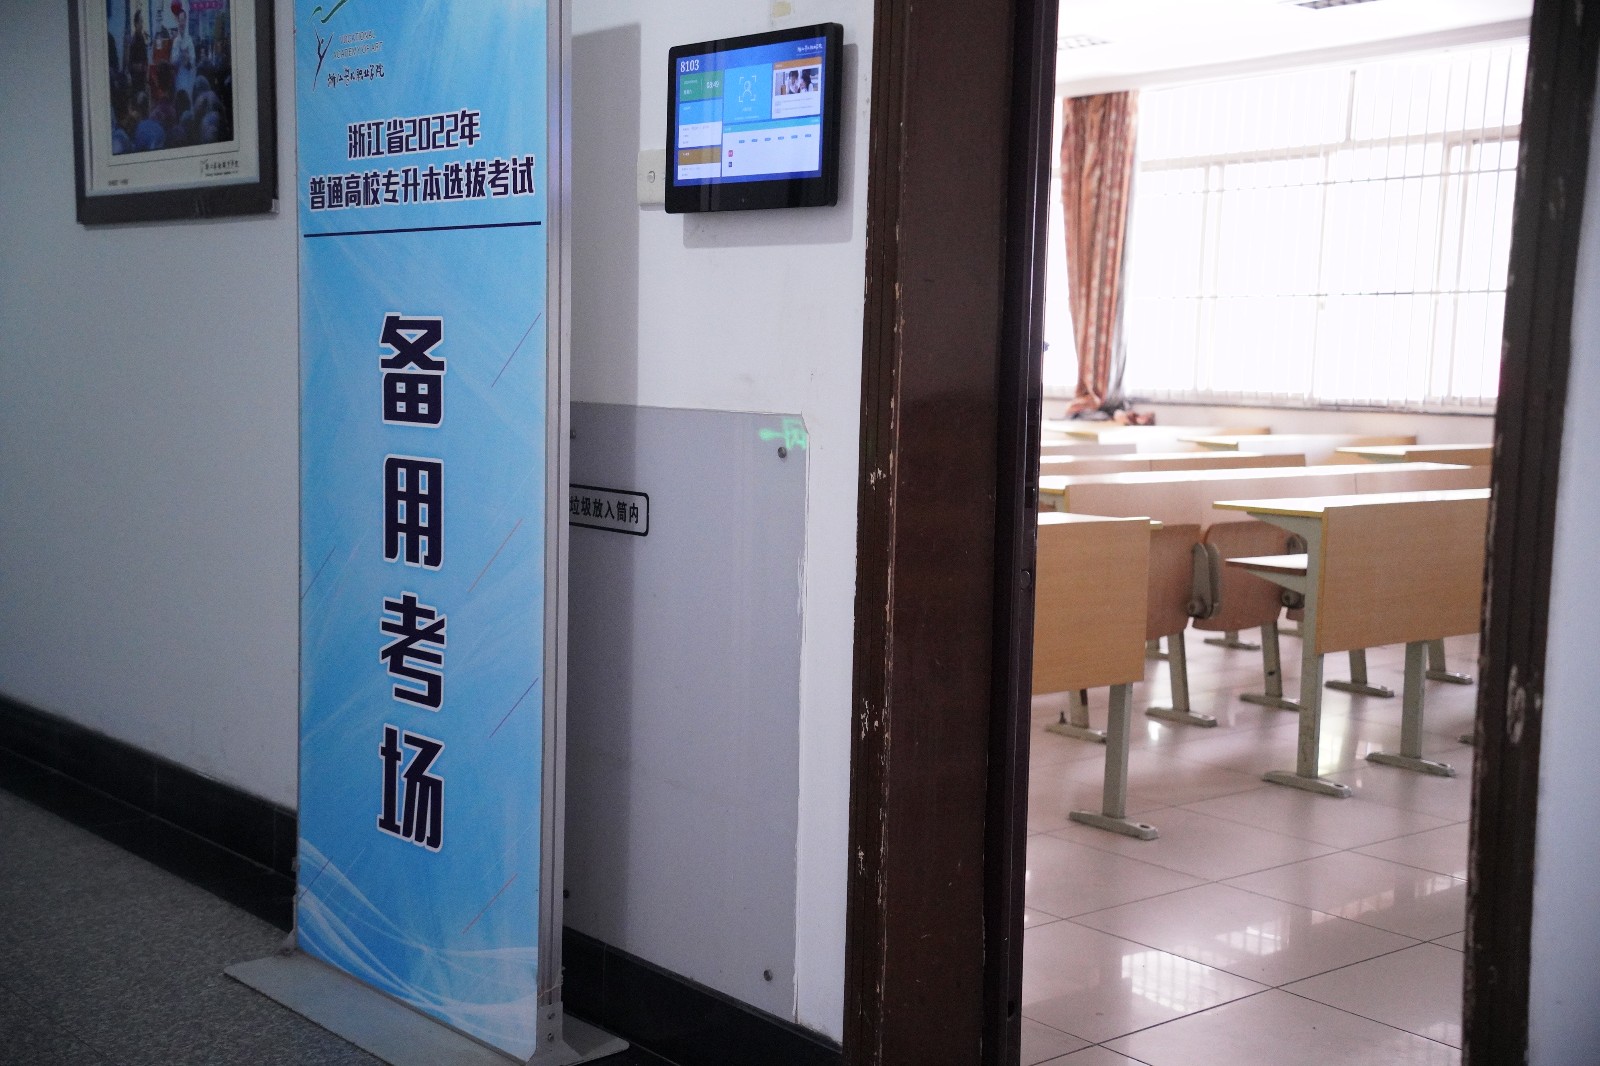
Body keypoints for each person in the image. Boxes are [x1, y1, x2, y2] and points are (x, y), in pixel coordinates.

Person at [169, 2, 196, 100]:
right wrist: (181, 55)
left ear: (185, 21)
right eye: (180, 20)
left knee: (189, 99)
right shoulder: (176, 41)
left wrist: (188, 59)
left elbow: (193, 59)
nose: (182, 23)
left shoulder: (189, 40)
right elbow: (173, 60)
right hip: (179, 78)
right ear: (178, 21)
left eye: (183, 20)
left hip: (189, 77)